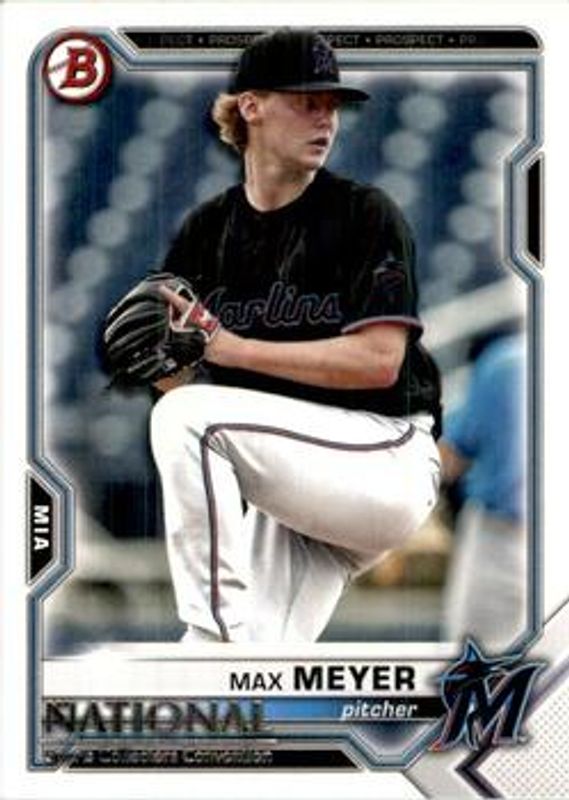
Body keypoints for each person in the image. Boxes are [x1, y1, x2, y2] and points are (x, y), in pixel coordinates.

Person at [149, 28, 442, 643]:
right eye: (308, 101)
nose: (326, 118)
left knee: (189, 421)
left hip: (381, 457)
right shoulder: (206, 231)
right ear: (251, 106)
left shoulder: (364, 213)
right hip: (296, 476)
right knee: (242, 665)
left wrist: (231, 351)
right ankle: (220, 656)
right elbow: (182, 375)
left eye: (332, 105)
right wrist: (164, 367)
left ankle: (216, 628)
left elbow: (379, 361)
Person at [439, 331, 527, 649]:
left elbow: (450, 457)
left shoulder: (507, 361)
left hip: (500, 541)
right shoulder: (507, 362)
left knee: (473, 658)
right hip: (507, 536)